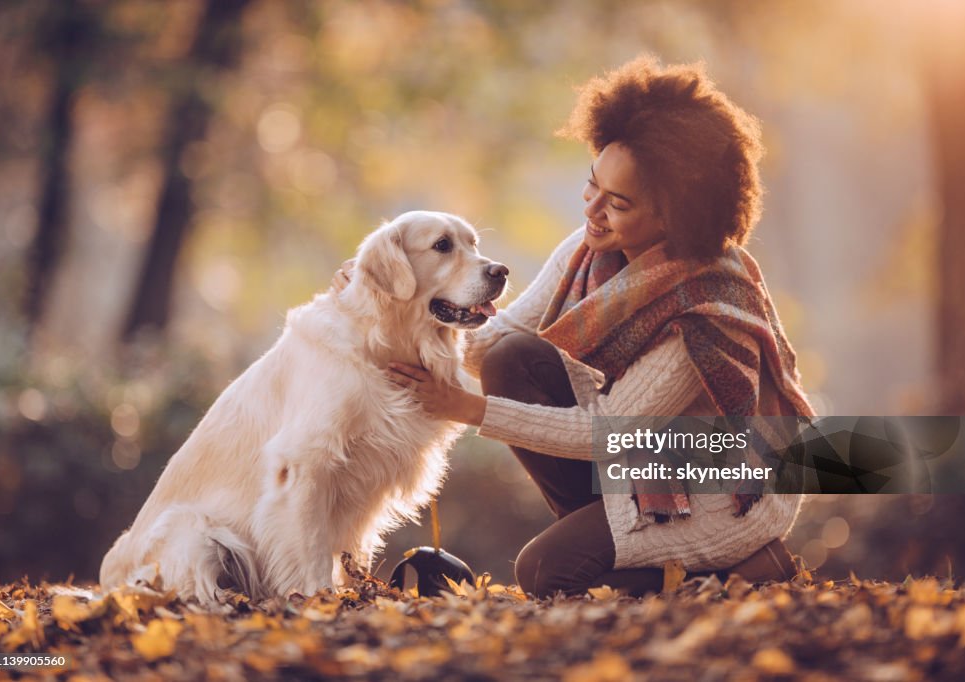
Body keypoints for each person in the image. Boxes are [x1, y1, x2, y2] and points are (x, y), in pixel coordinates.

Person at [337, 56, 814, 597]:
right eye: (593, 186)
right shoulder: (590, 251)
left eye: (618, 203)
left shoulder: (703, 307)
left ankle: (746, 563)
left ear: (674, 216)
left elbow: (608, 433)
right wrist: (407, 291)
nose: (593, 210)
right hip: (646, 464)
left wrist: (465, 408)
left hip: (722, 491)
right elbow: (494, 338)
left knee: (546, 574)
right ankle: (620, 543)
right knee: (511, 358)